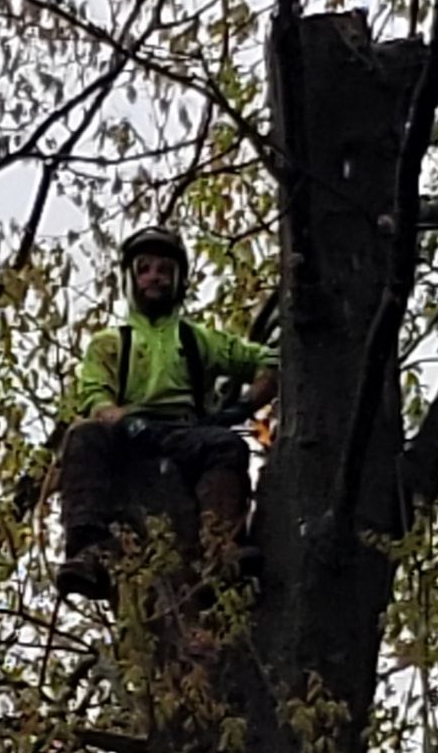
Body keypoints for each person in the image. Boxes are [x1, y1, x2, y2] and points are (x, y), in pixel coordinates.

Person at [56, 225, 278, 600]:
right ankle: (89, 551)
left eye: (164, 270)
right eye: (144, 269)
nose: (154, 277)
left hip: (185, 433)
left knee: (227, 447)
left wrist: (242, 407)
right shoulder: (111, 343)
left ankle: (220, 551)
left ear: (178, 280)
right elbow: (96, 398)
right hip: (128, 434)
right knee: (83, 437)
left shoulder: (198, 339)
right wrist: (127, 422)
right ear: (130, 279)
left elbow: (267, 361)